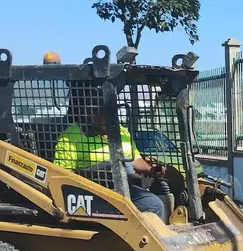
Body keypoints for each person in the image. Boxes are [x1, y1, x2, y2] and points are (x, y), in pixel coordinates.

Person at [53, 84, 166, 221]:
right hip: (90, 193)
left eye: (111, 113)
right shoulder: (71, 137)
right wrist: (95, 175)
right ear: (91, 114)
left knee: (153, 203)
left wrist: (151, 169)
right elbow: (62, 175)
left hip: (121, 188)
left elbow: (135, 159)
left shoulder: (122, 132)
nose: (109, 119)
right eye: (103, 114)